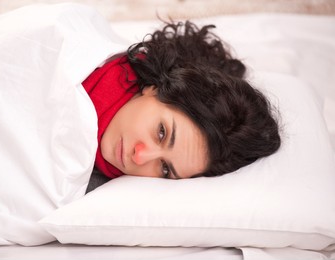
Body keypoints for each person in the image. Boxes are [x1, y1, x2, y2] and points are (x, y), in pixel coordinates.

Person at [83, 21, 281, 180]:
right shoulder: (78, 61)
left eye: (165, 169)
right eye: (161, 132)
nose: (140, 156)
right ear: (155, 88)